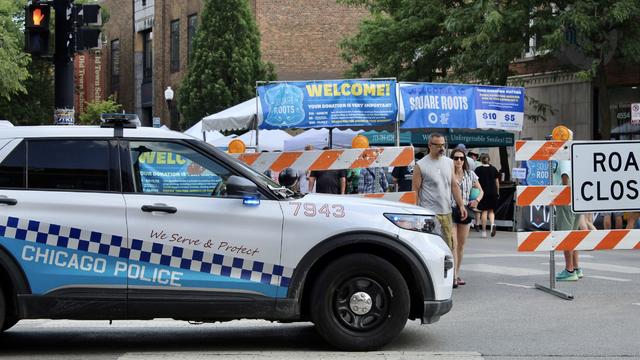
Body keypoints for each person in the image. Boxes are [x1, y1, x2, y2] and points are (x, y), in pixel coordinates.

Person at [413, 133, 467, 269]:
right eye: (438, 145)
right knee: (429, 247)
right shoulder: (420, 165)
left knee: (450, 246)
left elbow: (454, 185)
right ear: (430, 145)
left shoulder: (449, 162)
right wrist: (414, 212)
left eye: (443, 144)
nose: (441, 147)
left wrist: (461, 205)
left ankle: (452, 276)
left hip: (446, 211)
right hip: (429, 213)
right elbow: (415, 190)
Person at [450, 148, 483, 287]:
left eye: (461, 158)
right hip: (450, 209)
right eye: (456, 158)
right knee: (453, 244)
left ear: (464, 161)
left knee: (461, 245)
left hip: (465, 210)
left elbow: (481, 191)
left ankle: (457, 273)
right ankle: (453, 277)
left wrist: (477, 201)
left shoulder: (470, 174)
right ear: (451, 159)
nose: (458, 161)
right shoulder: (448, 174)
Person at [555, 172, 590, 281]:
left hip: (566, 197)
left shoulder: (563, 156)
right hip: (577, 195)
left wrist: (565, 196)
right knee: (573, 234)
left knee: (566, 235)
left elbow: (565, 175)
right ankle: (576, 267)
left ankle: (569, 270)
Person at [474, 153, 500, 238]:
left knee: (484, 212)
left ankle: (484, 231)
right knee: (491, 210)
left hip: (483, 192)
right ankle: (492, 224)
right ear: (489, 160)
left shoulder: (478, 169)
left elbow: (475, 182)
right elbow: (497, 182)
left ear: (481, 160)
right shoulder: (494, 169)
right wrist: (498, 191)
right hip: (493, 192)